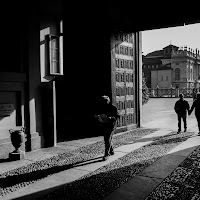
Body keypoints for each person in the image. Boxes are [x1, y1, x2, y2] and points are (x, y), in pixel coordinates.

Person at [94, 95, 120, 161]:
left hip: (111, 125)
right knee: (107, 138)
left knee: (107, 138)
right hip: (104, 124)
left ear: (109, 101)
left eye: (106, 101)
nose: (104, 102)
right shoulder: (100, 107)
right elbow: (96, 114)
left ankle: (106, 154)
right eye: (103, 101)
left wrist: (110, 118)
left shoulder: (113, 108)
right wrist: (97, 116)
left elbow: (117, 116)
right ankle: (111, 150)